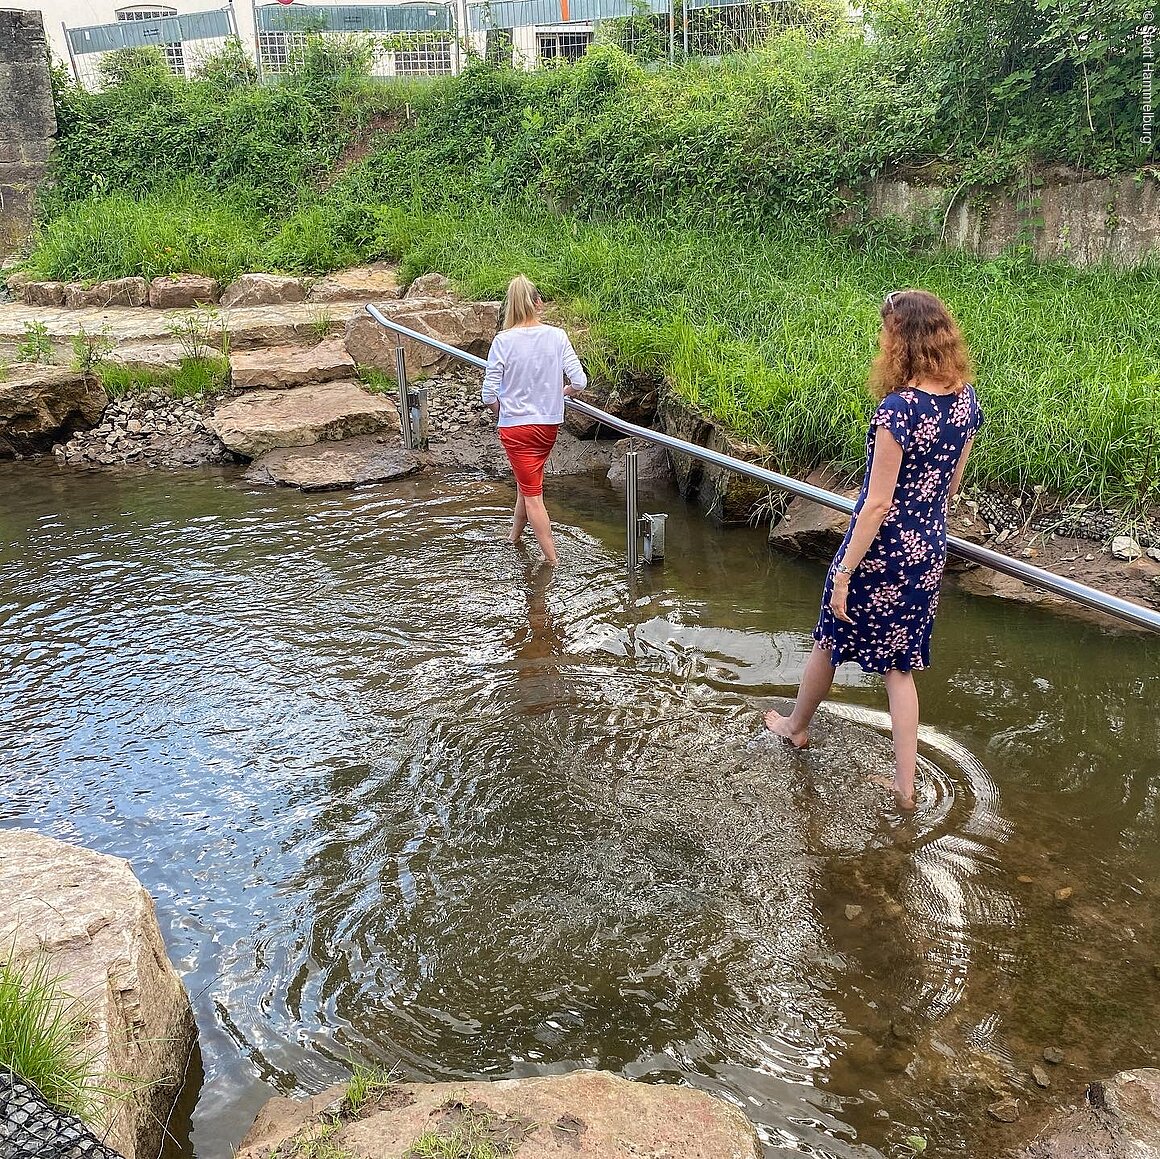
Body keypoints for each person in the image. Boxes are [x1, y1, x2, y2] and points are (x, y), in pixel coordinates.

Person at [764, 289, 984, 810]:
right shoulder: (966, 401)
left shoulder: (898, 410)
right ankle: (906, 788)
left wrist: (843, 570)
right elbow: (949, 489)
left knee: (829, 635)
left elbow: (878, 503)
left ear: (900, 341)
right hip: (927, 547)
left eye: (887, 334)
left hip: (880, 549)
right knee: (900, 669)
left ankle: (796, 727)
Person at [482, 275, 587, 567]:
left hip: (515, 429)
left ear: (511, 306)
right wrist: (564, 391)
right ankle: (514, 536)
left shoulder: (503, 341)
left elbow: (488, 393)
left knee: (533, 496)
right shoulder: (557, 336)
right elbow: (579, 380)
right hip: (547, 427)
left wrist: (500, 413)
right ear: (538, 303)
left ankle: (551, 561)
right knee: (527, 484)